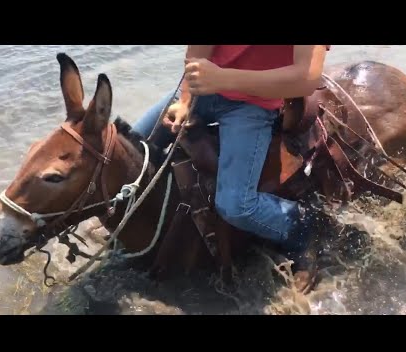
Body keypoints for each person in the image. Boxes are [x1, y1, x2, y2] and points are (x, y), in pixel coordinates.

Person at [133, 45, 330, 292]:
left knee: (236, 204)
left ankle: (301, 226)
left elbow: (305, 79)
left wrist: (222, 78)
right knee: (131, 145)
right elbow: (197, 54)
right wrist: (185, 100)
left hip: (252, 103)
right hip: (204, 91)